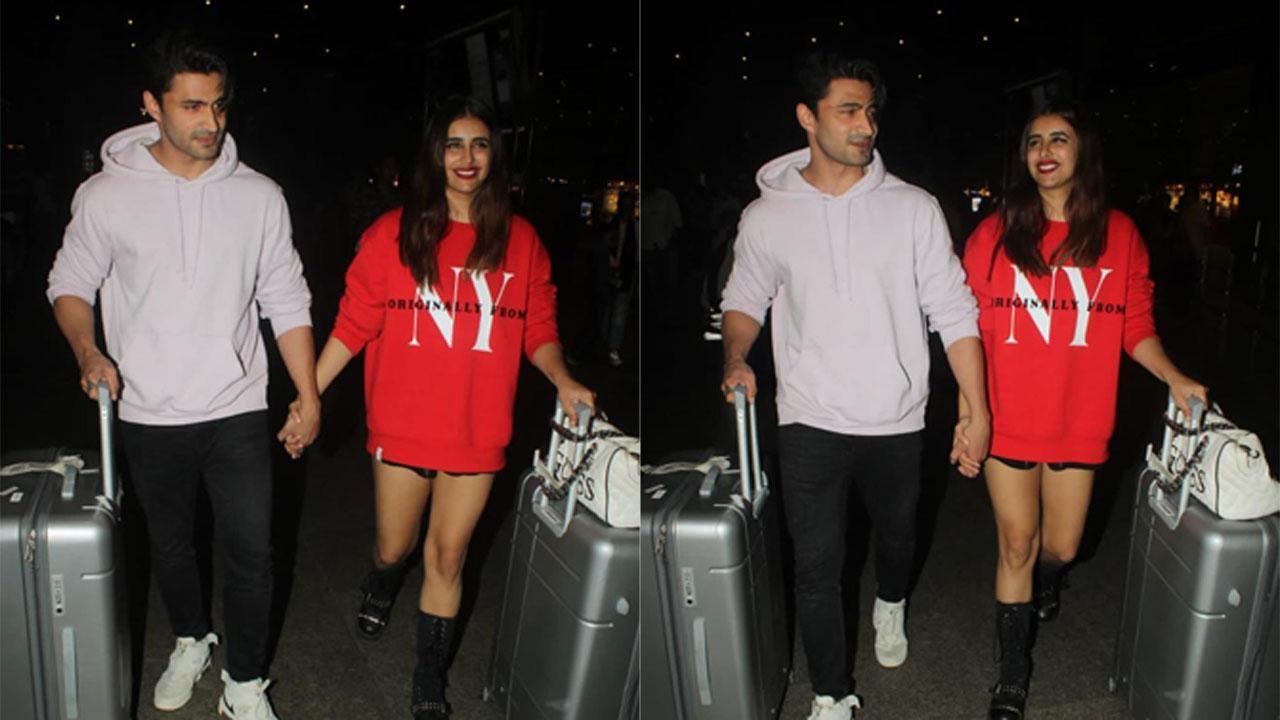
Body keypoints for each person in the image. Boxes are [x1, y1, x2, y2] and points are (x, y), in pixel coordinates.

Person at [291, 95, 593, 720]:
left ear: (495, 156)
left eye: (479, 144)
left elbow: (538, 326)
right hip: (403, 420)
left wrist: (563, 377)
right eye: (453, 144)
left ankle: (428, 676)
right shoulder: (392, 233)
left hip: (477, 426)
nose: (467, 157)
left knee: (449, 556)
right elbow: (353, 323)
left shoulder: (522, 241)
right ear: (435, 155)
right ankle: (381, 580)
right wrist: (308, 397)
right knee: (394, 546)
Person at [47, 30, 317, 720]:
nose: (210, 122)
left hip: (236, 405)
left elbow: (286, 298)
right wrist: (88, 352)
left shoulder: (259, 196)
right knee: (170, 546)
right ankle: (192, 639)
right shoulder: (106, 195)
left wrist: (308, 393)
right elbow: (70, 283)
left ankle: (244, 683)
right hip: (148, 407)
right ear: (152, 105)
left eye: (219, 105)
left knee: (252, 551)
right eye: (192, 106)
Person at [719, 49, 990, 720]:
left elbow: (953, 309)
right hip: (807, 416)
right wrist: (736, 357)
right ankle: (831, 695)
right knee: (816, 566)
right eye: (848, 111)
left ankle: (890, 601)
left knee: (897, 539)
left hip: (895, 417)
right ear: (807, 117)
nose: (866, 125)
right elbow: (744, 299)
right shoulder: (767, 215)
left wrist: (976, 408)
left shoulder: (913, 208)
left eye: (870, 111)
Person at [960, 100, 1207, 720]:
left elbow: (1135, 324)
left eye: (1059, 139)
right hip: (1009, 415)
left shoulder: (1119, 234)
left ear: (1083, 152)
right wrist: (970, 412)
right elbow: (967, 328)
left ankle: (1048, 580)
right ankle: (1012, 676)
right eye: (1034, 141)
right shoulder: (994, 233)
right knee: (1016, 543)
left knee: (1063, 547)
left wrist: (1174, 376)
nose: (1044, 151)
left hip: (1079, 417)